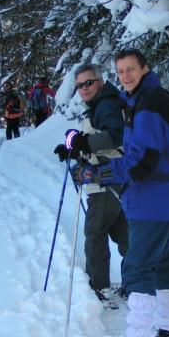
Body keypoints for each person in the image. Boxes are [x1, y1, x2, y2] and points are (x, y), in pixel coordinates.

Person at [71, 48, 169, 337]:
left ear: (145, 68)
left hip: (152, 199)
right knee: (165, 263)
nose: (125, 76)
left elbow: (140, 162)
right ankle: (168, 333)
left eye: (130, 70)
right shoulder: (147, 101)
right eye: (120, 71)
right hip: (168, 198)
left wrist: (99, 173)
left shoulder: (150, 106)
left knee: (137, 268)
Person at [54, 64, 129, 309]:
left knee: (95, 234)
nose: (83, 89)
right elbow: (96, 137)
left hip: (105, 180)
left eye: (88, 83)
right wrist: (73, 148)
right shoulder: (102, 103)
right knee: (122, 233)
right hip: (112, 179)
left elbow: (115, 136)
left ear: (99, 81)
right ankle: (137, 282)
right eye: (79, 85)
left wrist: (83, 143)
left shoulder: (106, 104)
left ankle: (99, 288)